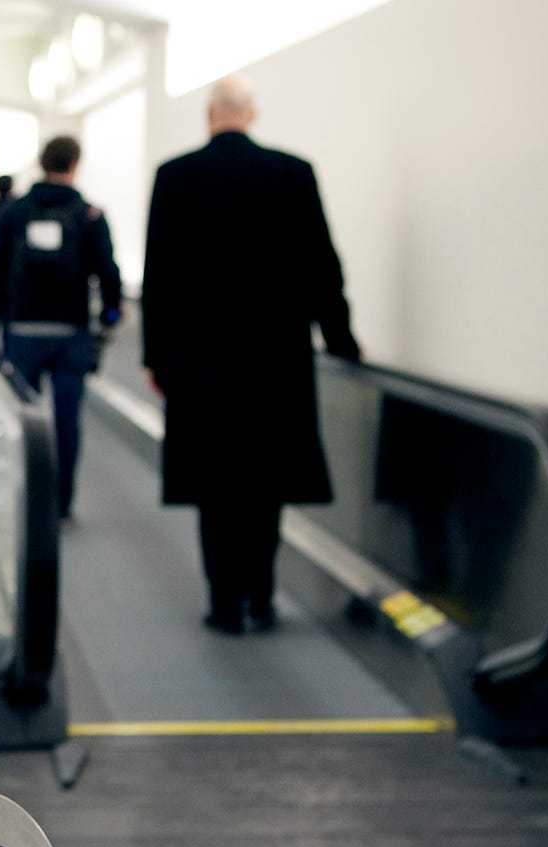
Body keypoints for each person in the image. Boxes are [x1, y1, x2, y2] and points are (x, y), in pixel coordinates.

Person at [141, 75, 362, 635]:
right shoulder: (293, 173)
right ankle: (261, 596)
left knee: (214, 485)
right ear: (252, 114)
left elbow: (158, 275)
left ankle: (223, 604)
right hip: (276, 357)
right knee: (266, 482)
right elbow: (322, 264)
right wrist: (340, 340)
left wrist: (156, 358)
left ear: (209, 115)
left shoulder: (175, 177)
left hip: (200, 361)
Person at [0, 136, 123, 528]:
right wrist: (110, 314)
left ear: (40, 162)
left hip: (22, 329)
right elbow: (108, 272)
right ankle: (62, 506)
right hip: (71, 332)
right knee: (67, 421)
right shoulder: (89, 215)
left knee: (23, 417)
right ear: (75, 165)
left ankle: (23, 499)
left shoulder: (15, 212)